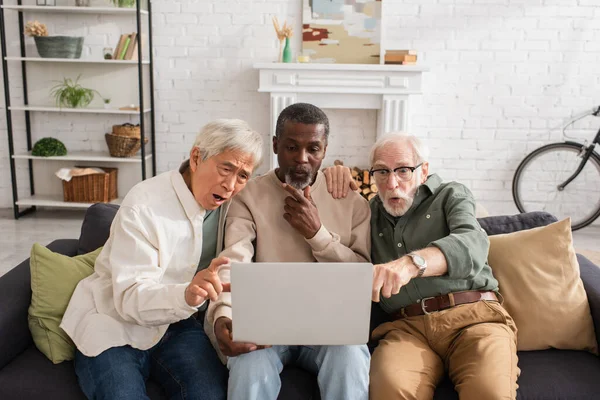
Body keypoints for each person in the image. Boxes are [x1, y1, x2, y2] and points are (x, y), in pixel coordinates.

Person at [60, 119, 263, 400]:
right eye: (225, 168)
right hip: (114, 322)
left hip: (179, 326)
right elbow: (129, 297)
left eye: (242, 175)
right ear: (196, 158)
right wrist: (187, 294)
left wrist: (338, 175)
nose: (230, 185)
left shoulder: (234, 206)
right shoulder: (144, 203)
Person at [324, 133, 519, 400]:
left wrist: (412, 264)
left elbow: (472, 243)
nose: (392, 183)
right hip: (407, 328)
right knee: (389, 391)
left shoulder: (451, 194)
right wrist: (333, 175)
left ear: (423, 170)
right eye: (381, 171)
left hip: (474, 317)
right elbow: (337, 243)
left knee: (489, 393)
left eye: (403, 170)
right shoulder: (368, 213)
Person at [206, 103, 372, 400]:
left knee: (350, 357)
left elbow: (363, 273)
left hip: (331, 330)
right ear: (275, 145)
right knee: (248, 362)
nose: (302, 159)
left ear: (325, 149)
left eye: (314, 149)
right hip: (267, 327)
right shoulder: (248, 196)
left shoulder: (352, 201)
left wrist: (317, 235)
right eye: (291, 147)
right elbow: (232, 263)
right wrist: (222, 314)